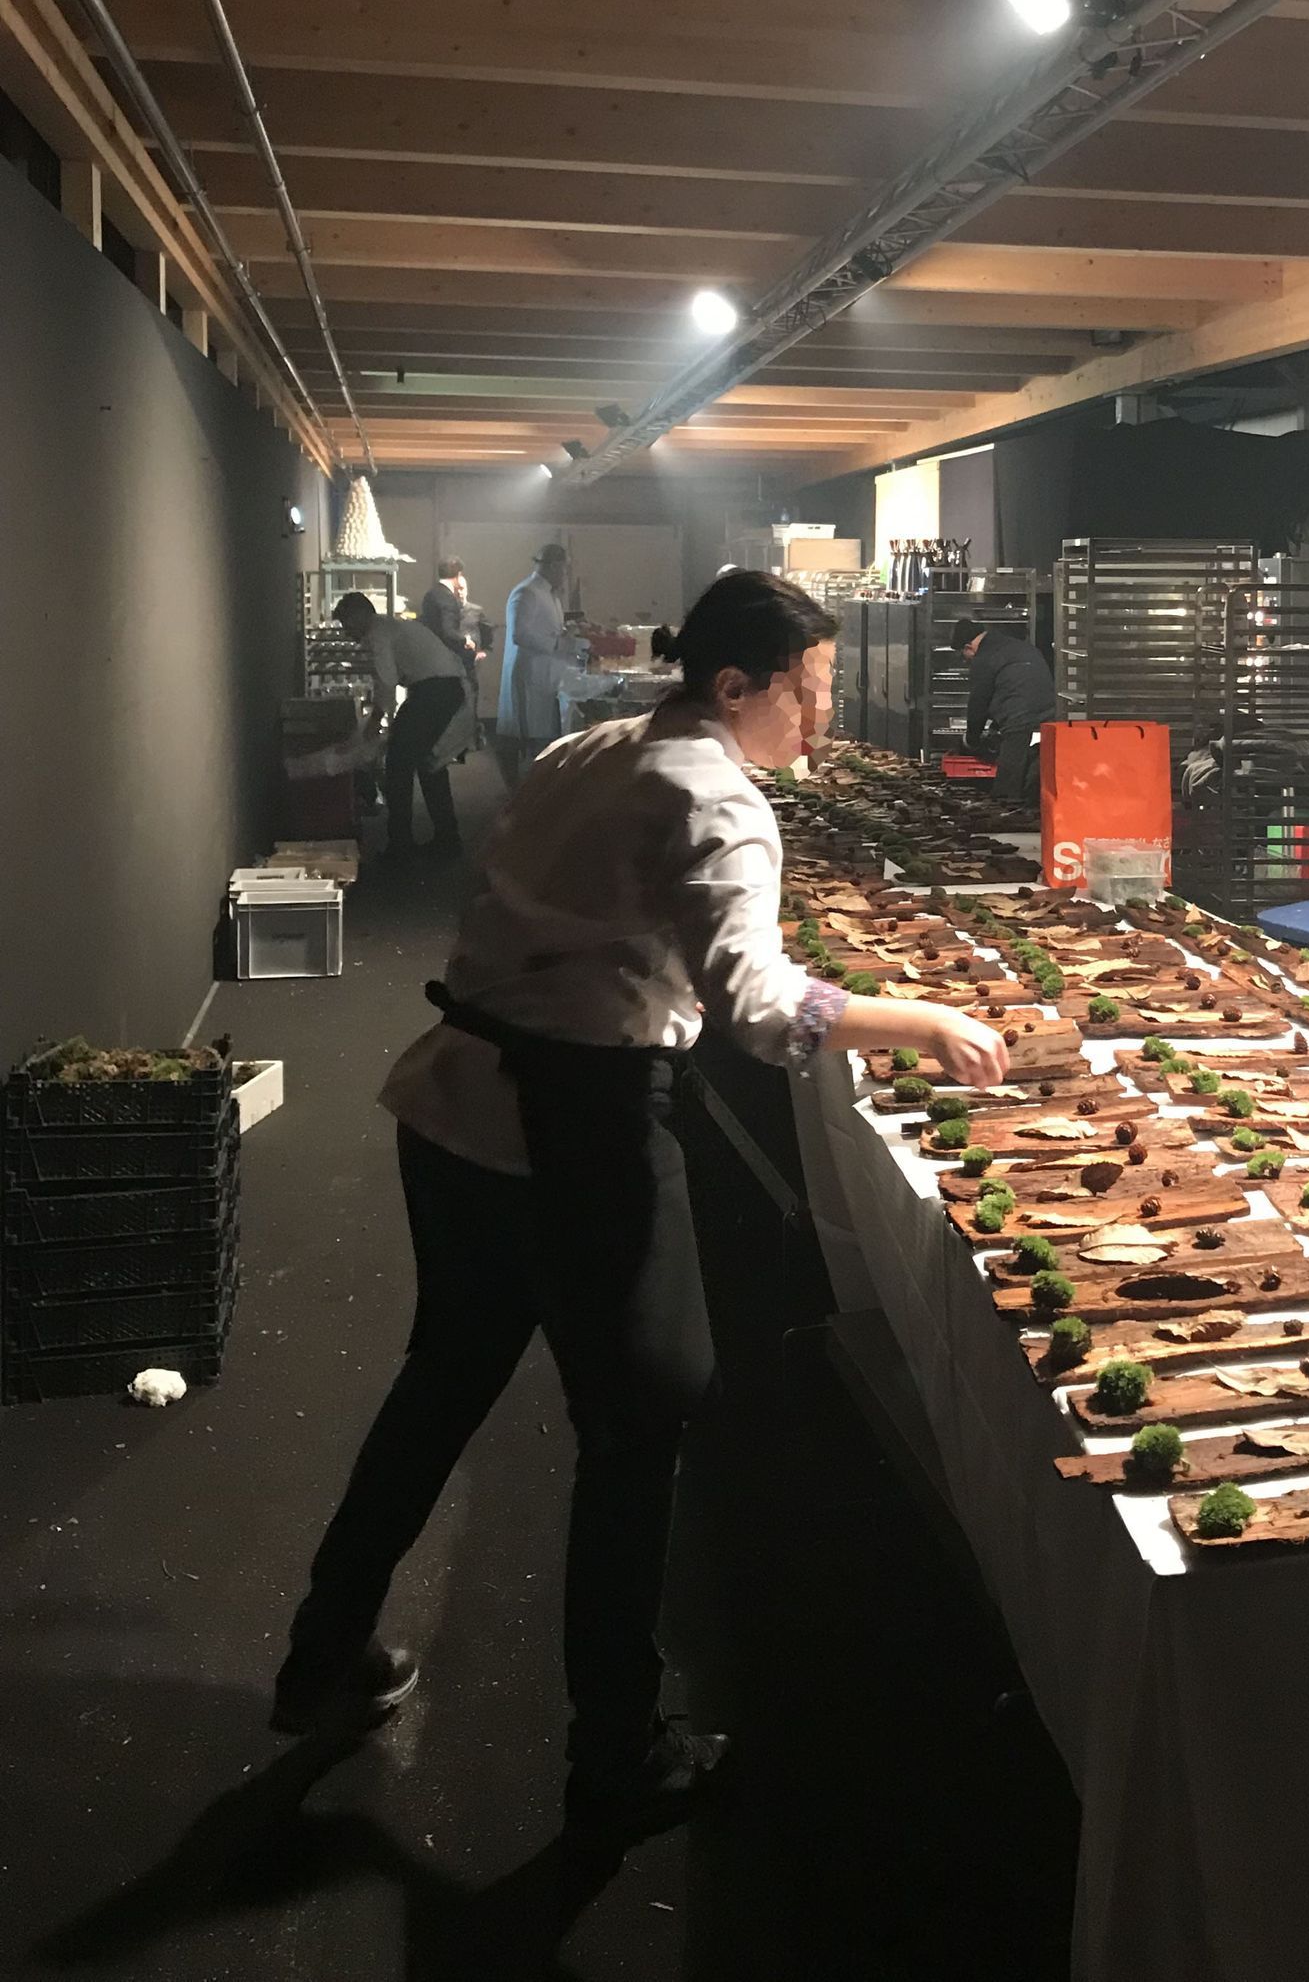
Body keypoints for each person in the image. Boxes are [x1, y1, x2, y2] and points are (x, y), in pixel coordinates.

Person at [271, 571, 1008, 1840]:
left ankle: (322, 1652)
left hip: (454, 1104)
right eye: (811, 693)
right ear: (737, 685)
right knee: (640, 1422)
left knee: (443, 1380)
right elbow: (759, 1009)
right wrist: (924, 1020)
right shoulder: (716, 796)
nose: (821, 719)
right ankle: (617, 1744)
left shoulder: (589, 749)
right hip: (584, 1127)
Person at [333, 592, 471, 859]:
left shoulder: (378, 633)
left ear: (359, 616)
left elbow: (386, 682)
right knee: (431, 763)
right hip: (445, 688)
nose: (348, 634)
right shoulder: (390, 627)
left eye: (347, 625)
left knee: (398, 764)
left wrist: (374, 721)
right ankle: (447, 839)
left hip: (433, 691)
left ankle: (401, 845)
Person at [955, 614, 1057, 810]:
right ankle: (1033, 810)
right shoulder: (1019, 647)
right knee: (1035, 770)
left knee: (1008, 782)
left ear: (969, 647)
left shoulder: (984, 658)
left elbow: (978, 703)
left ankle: (1006, 814)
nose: (966, 661)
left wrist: (971, 739)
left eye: (963, 655)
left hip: (1019, 719)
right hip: (1048, 715)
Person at [495, 540, 572, 787]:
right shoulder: (526, 592)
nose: (565, 574)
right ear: (553, 566)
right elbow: (520, 634)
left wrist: (568, 634)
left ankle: (538, 784)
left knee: (544, 731)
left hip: (548, 674)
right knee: (529, 732)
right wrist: (556, 644)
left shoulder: (551, 595)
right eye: (564, 569)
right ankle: (524, 788)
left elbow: (550, 628)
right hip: (531, 674)